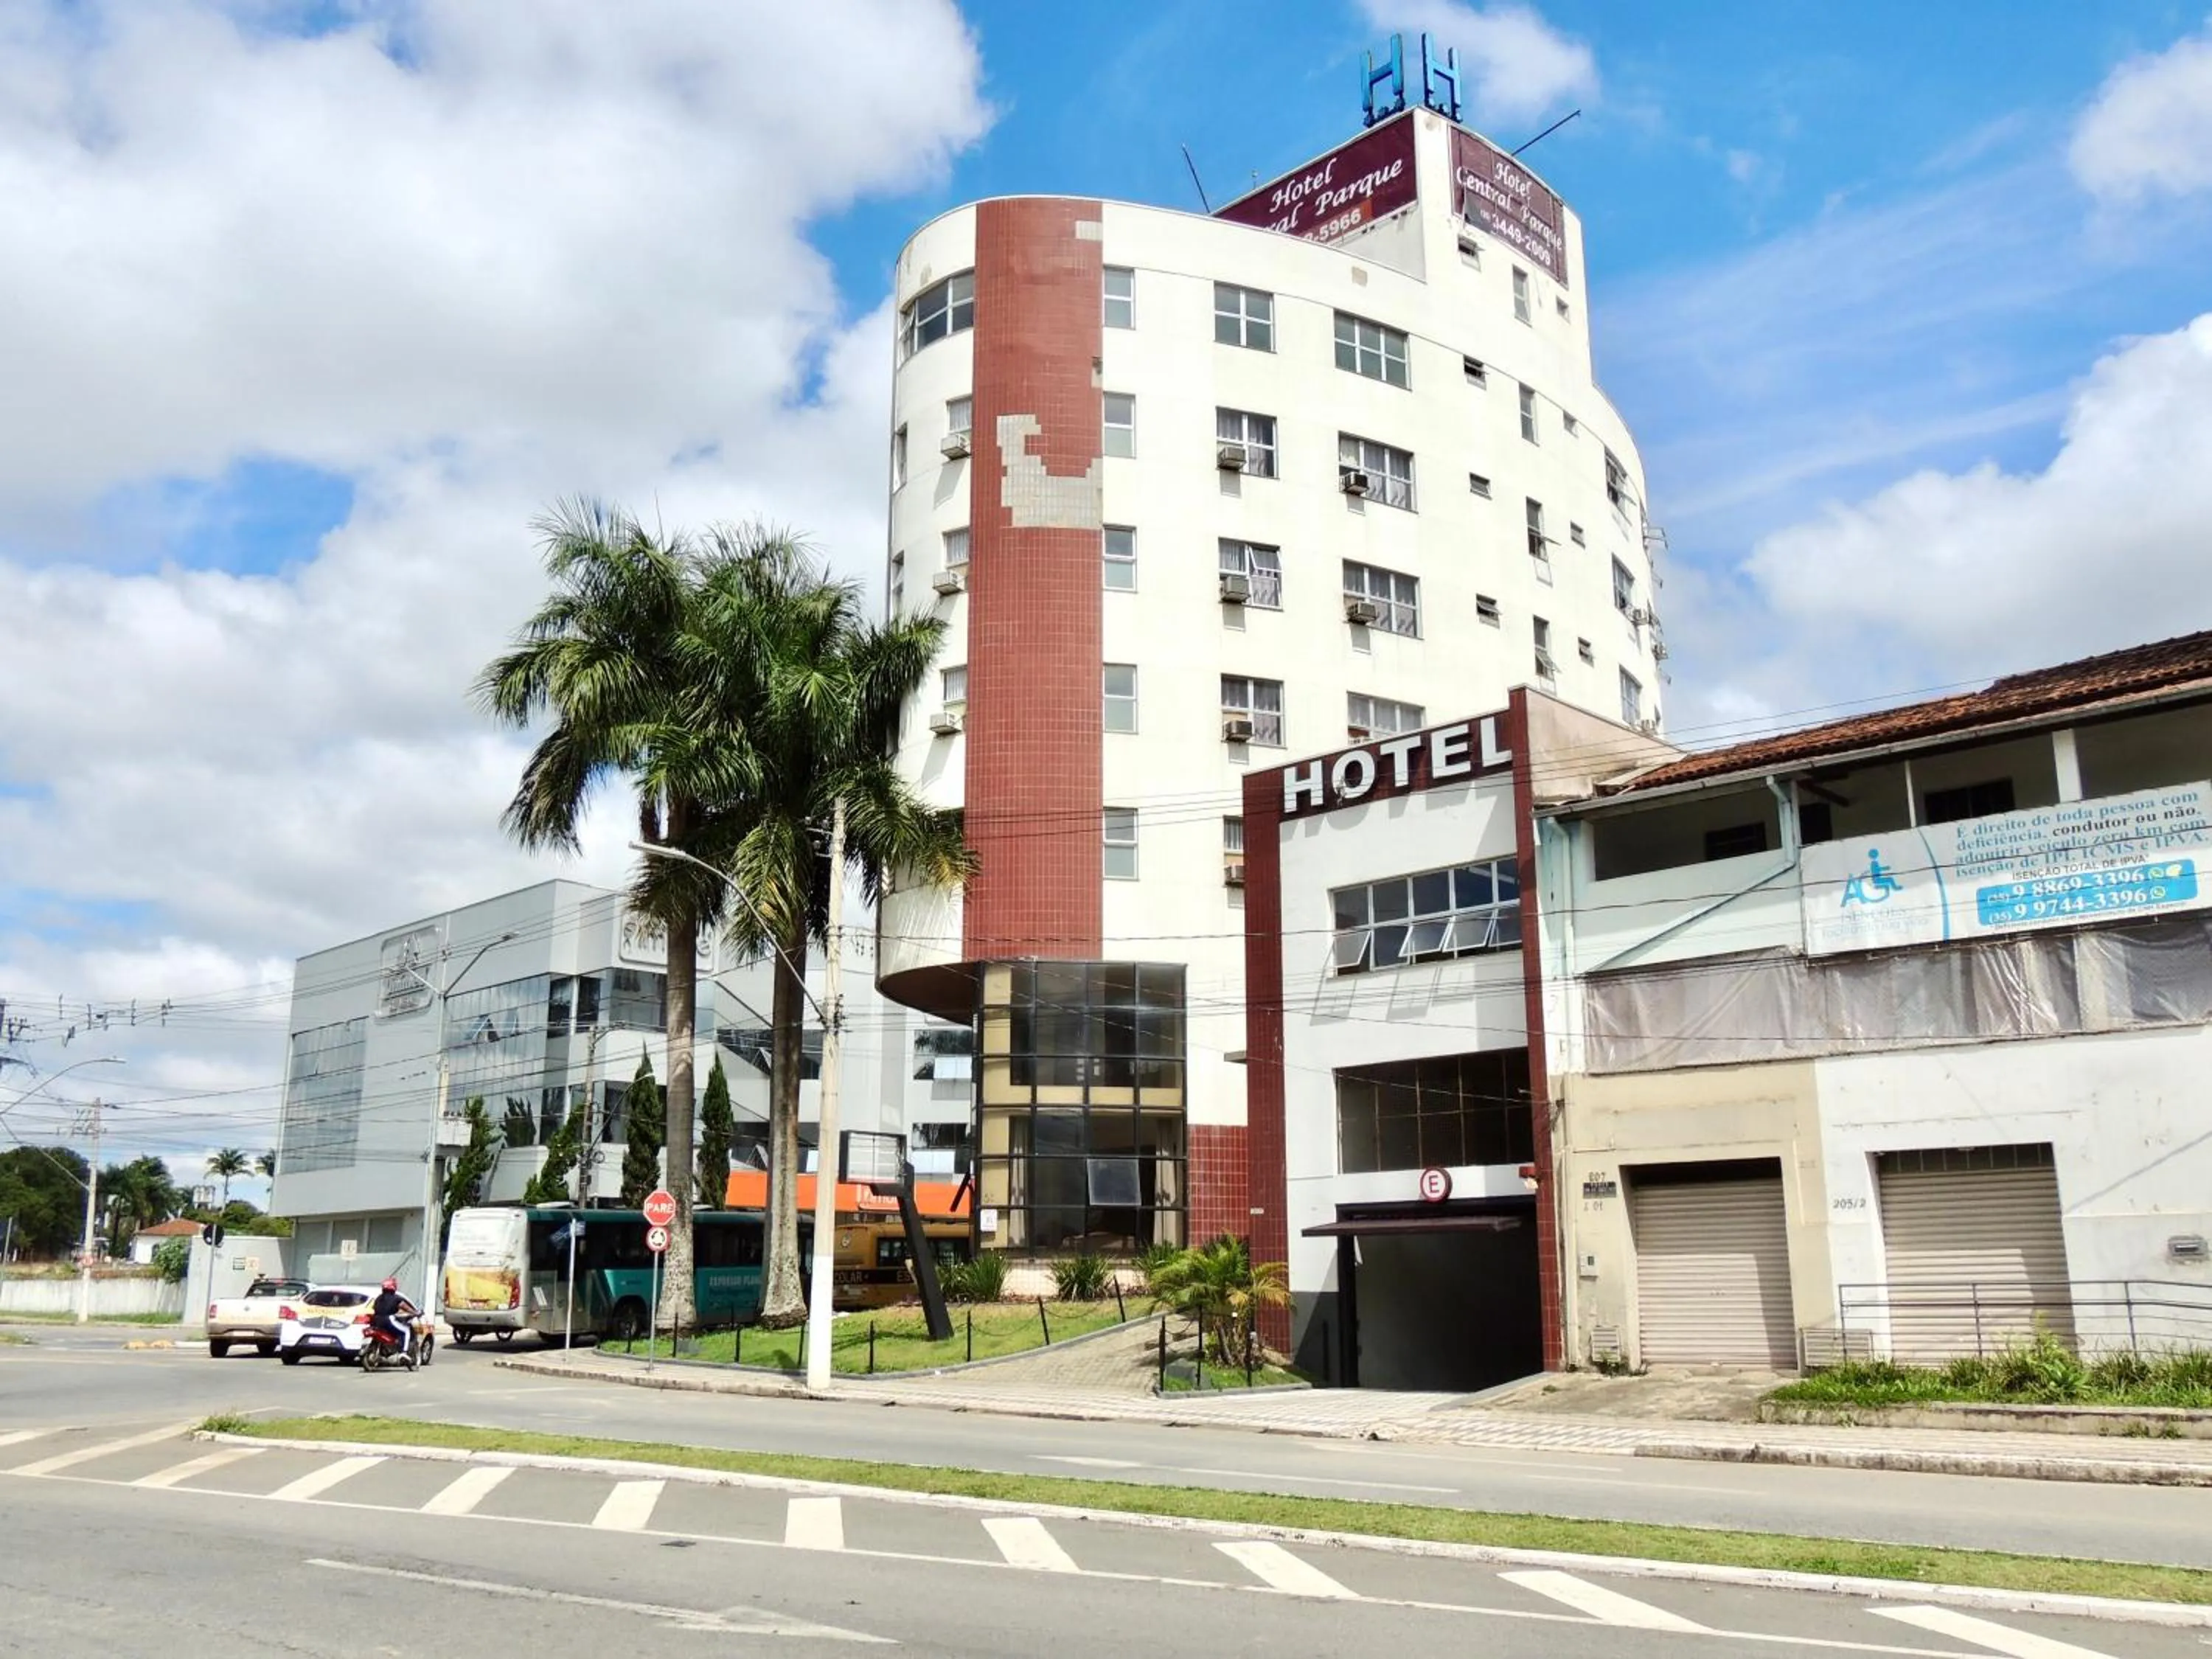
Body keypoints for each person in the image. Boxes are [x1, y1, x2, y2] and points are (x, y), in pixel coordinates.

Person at [370, 1277, 418, 1369]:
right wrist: (416, 1313)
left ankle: (385, 1351)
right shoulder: (396, 1299)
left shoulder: (378, 1298)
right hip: (388, 1320)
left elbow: (375, 1308)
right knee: (406, 1331)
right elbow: (406, 1308)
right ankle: (404, 1352)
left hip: (376, 1321)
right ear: (393, 1287)